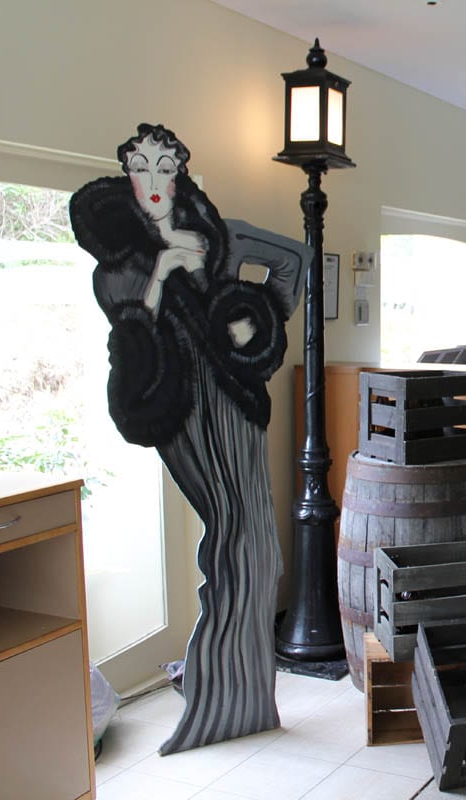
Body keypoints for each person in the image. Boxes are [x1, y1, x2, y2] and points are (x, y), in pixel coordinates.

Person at [70, 123, 309, 754]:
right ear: (128, 175)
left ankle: (235, 688)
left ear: (179, 175)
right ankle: (214, 690)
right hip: (180, 407)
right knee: (229, 537)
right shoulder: (121, 258)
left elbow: (292, 261)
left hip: (236, 400)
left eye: (164, 168)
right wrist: (160, 274)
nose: (153, 180)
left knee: (257, 547)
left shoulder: (217, 236)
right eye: (142, 168)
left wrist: (257, 321)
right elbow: (127, 323)